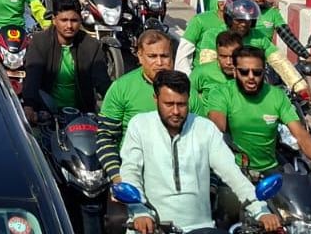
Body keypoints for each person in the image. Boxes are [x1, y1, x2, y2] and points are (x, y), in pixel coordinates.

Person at [119, 70, 280, 234]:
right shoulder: (139, 126)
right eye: (169, 104)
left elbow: (232, 173)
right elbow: (131, 171)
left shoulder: (205, 128)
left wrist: (260, 210)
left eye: (181, 104)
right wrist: (140, 212)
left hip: (201, 228)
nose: (176, 111)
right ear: (156, 99)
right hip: (151, 227)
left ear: (189, 99)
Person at [203, 45, 311, 188]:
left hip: (270, 171)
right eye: (244, 72)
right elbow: (216, 128)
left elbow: (301, 134)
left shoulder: (277, 96)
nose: (251, 77)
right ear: (234, 72)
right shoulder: (220, 94)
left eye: (257, 72)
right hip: (233, 170)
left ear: (263, 72)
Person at [195, 0, 311, 99]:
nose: (243, 24)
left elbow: (278, 60)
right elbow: (208, 65)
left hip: (251, 88)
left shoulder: (259, 37)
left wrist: (300, 86)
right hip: (218, 89)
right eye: (239, 20)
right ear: (229, 18)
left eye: (248, 20)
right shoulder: (212, 35)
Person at [95, 30, 174, 183]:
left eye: (164, 56)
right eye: (152, 56)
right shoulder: (121, 88)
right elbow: (106, 137)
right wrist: (117, 177)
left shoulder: (185, 89)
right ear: (140, 56)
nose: (159, 63)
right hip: (133, 179)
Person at [21, 0, 111, 123]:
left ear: (80, 21)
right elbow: (32, 76)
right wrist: (29, 106)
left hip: (82, 114)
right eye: (64, 20)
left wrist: (115, 105)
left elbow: (102, 81)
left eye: (74, 20)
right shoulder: (39, 41)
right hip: (46, 114)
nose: (69, 26)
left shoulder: (91, 45)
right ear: (54, 20)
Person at [246, 0, 311, 64]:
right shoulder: (239, 10)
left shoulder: (273, 12)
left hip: (264, 61)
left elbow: (286, 35)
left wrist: (306, 56)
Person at [176, 0, 241, 74]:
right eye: (234, 4)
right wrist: (187, 76)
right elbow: (184, 51)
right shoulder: (200, 20)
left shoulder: (243, 23)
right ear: (221, 5)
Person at [190, 30, 242, 112]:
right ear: (217, 54)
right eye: (223, 56)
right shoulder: (202, 72)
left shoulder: (249, 75)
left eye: (232, 57)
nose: (228, 62)